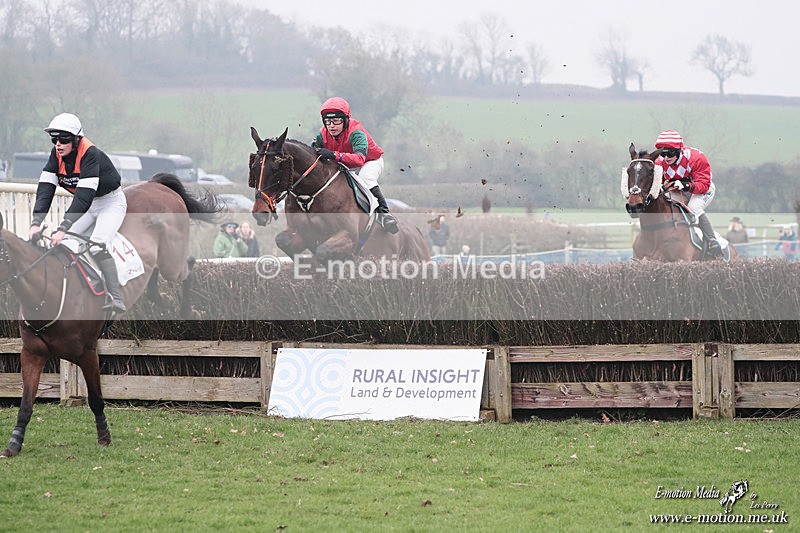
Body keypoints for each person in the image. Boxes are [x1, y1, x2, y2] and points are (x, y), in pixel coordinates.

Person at [29, 113, 128, 313]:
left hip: (110, 203)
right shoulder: (55, 155)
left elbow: (82, 197)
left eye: (64, 139)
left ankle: (116, 297)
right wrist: (36, 222)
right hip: (88, 205)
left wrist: (63, 227)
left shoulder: (90, 154)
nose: (58, 144)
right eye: (54, 139)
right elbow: (45, 191)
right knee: (60, 245)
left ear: (76, 139)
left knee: (98, 246)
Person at [311, 97, 399, 234]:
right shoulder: (322, 135)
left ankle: (384, 214)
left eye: (336, 121)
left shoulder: (356, 132)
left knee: (366, 177)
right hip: (344, 163)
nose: (331, 126)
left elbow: (359, 160)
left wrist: (334, 155)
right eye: (327, 121)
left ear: (345, 120)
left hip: (369, 161)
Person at [655, 130, 721, 256]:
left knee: (693, 208)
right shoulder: (659, 163)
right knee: (672, 208)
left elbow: (703, 185)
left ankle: (712, 240)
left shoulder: (696, 158)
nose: (666, 158)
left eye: (669, 154)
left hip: (703, 189)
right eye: (663, 155)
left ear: (678, 150)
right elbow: (660, 184)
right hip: (678, 190)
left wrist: (686, 185)